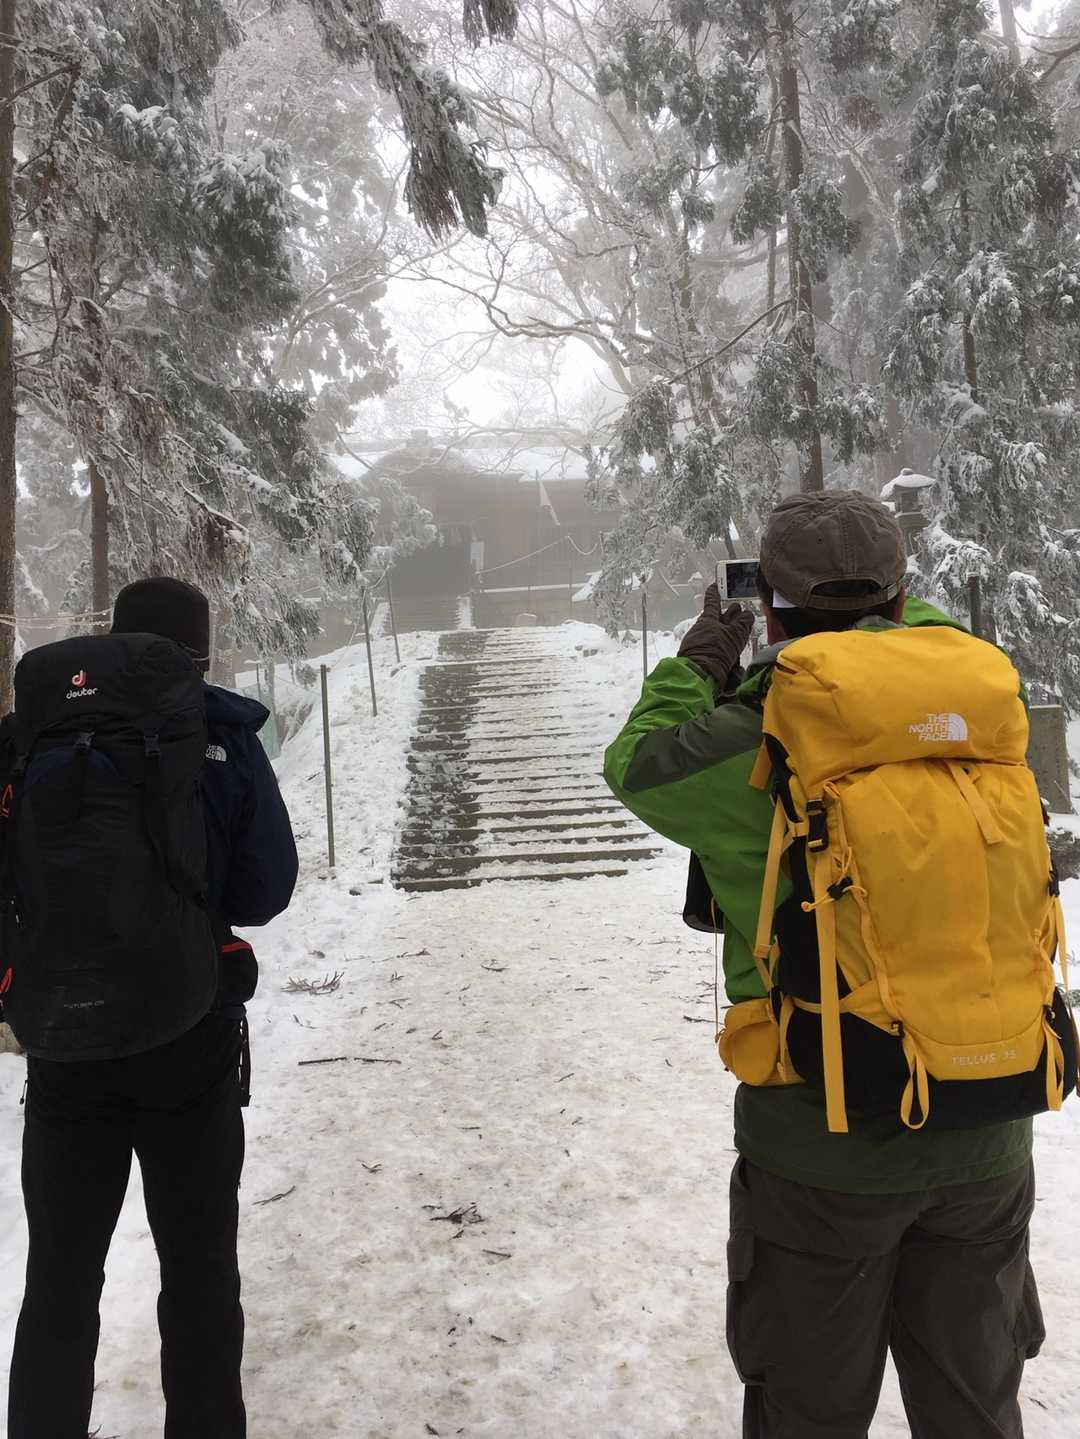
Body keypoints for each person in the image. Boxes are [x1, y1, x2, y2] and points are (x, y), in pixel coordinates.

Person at [604, 493, 1047, 1439]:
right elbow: (907, 644)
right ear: (903, 597)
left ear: (769, 609)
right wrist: (892, 621)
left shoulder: (756, 738)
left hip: (821, 1153)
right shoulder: (977, 704)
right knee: (977, 1417)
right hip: (987, 1133)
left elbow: (637, 764)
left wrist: (701, 662)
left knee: (807, 1416)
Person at [3, 576, 298, 1438]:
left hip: (63, 1047)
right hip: (189, 1039)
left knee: (60, 1279)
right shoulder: (219, 733)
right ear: (196, 652)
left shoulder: (29, 735)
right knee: (199, 1273)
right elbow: (266, 889)